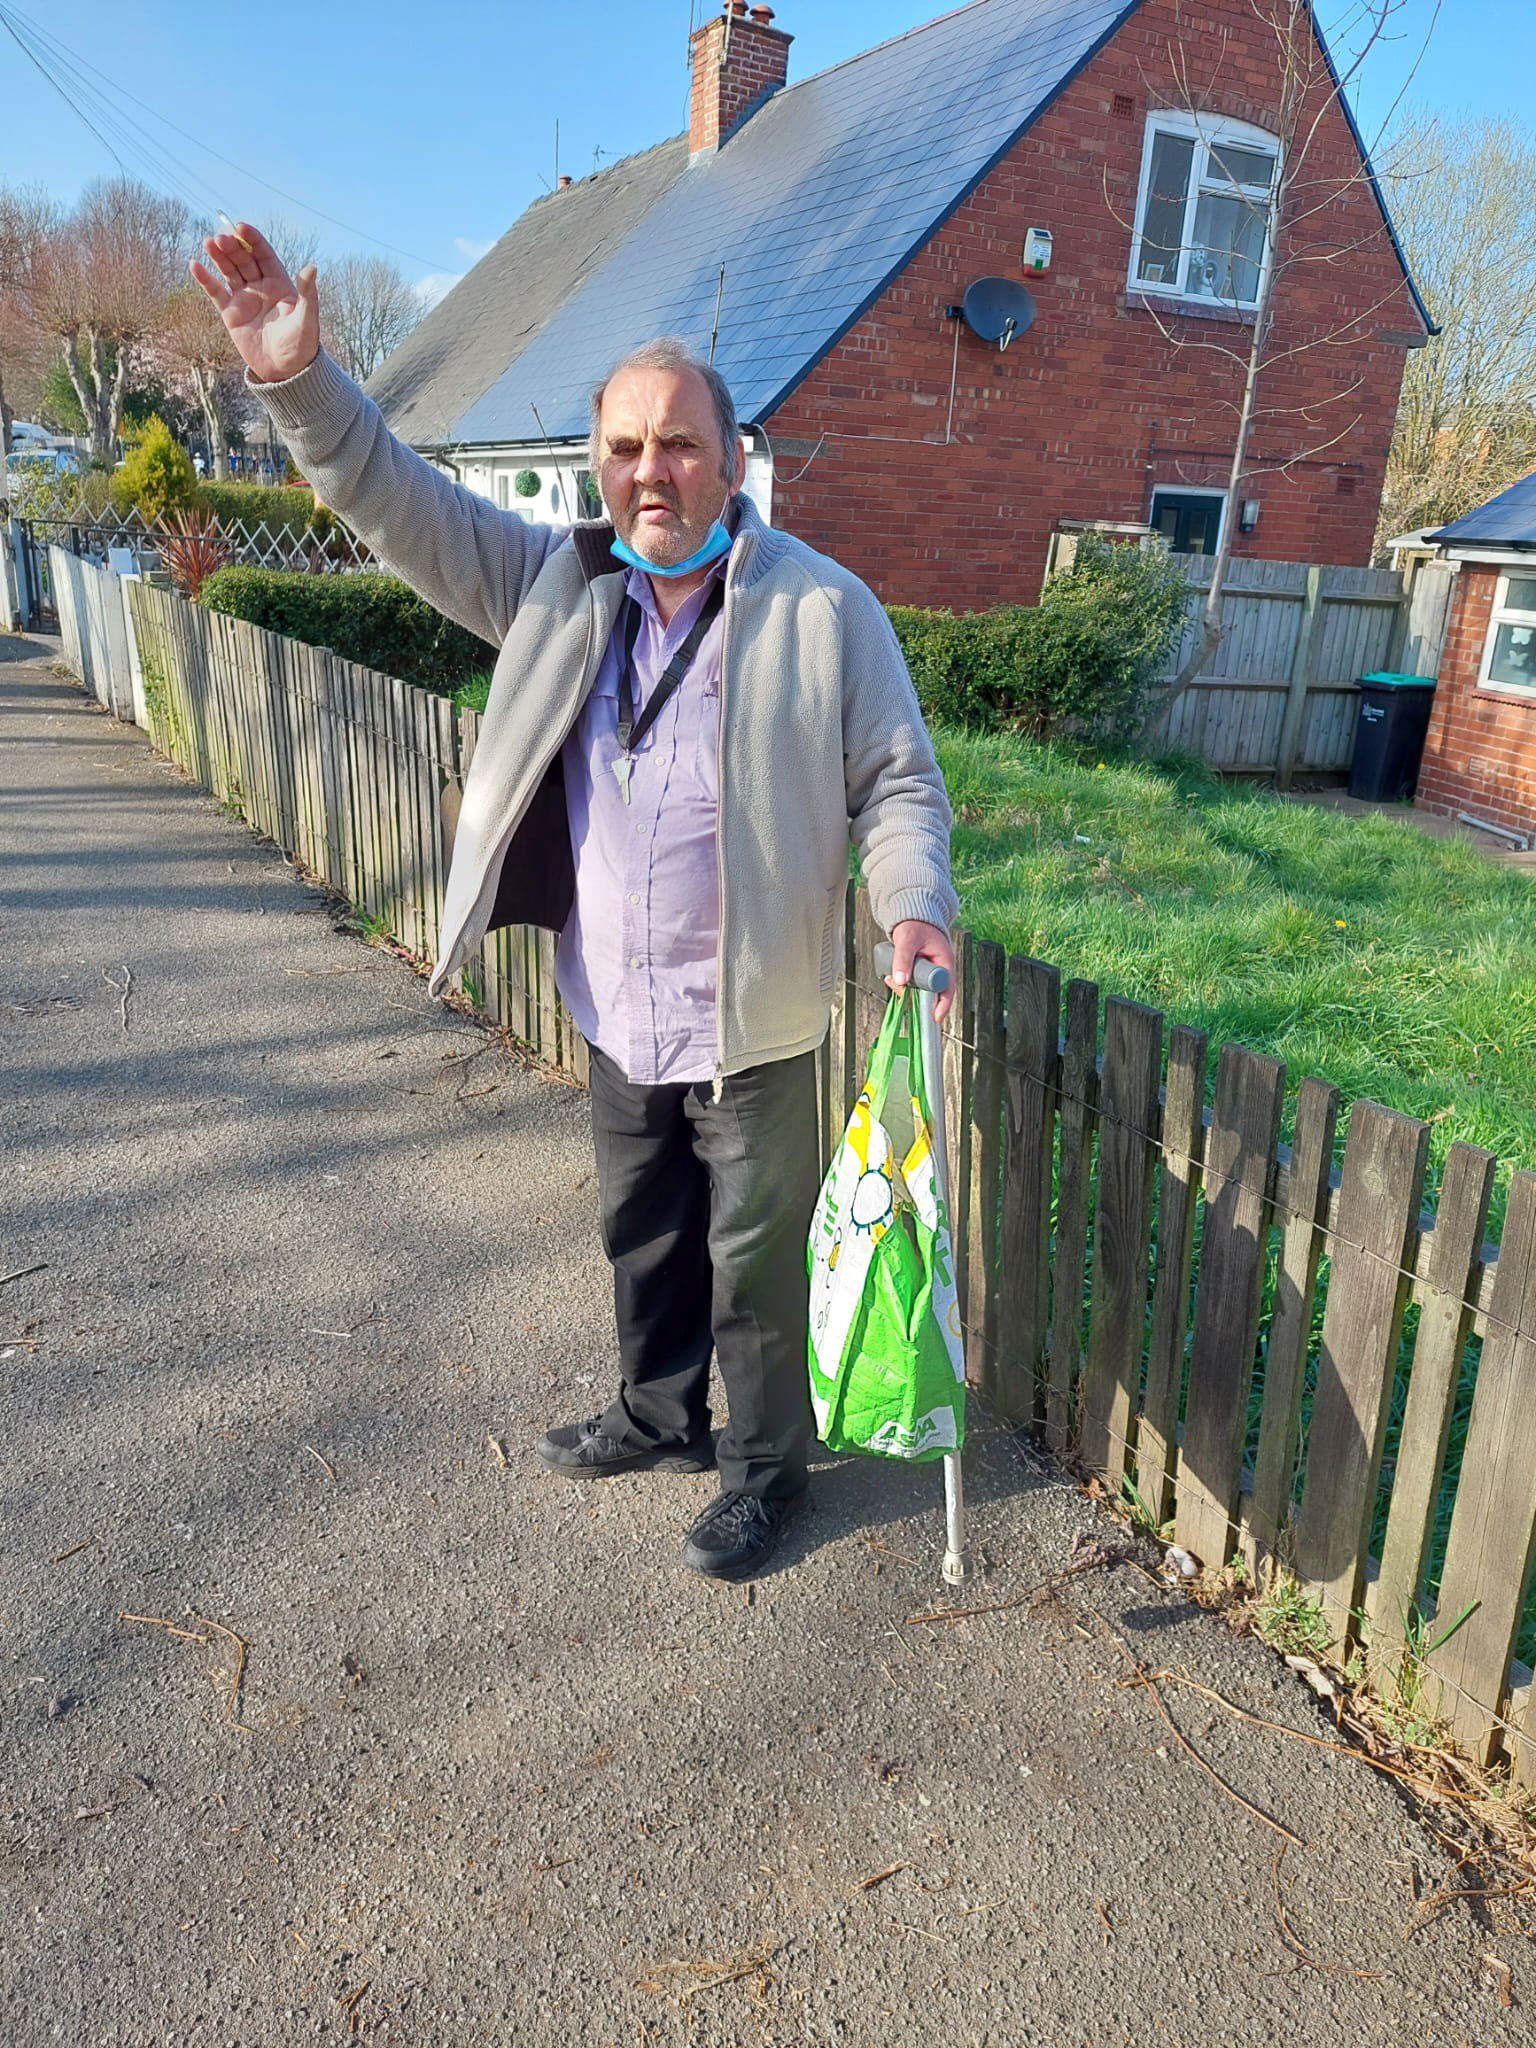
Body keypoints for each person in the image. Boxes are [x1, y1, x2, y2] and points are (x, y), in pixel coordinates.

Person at [190, 223, 957, 1580]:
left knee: (754, 1265)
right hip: (614, 1001)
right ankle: (660, 1415)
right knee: (642, 1233)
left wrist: (914, 903)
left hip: (752, 1020)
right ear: (599, 467)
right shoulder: (560, 583)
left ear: (731, 461)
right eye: (625, 447)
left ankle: (762, 1475)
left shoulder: (823, 610)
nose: (651, 470)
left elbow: (898, 782)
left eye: (679, 444)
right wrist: (300, 384)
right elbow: (399, 502)